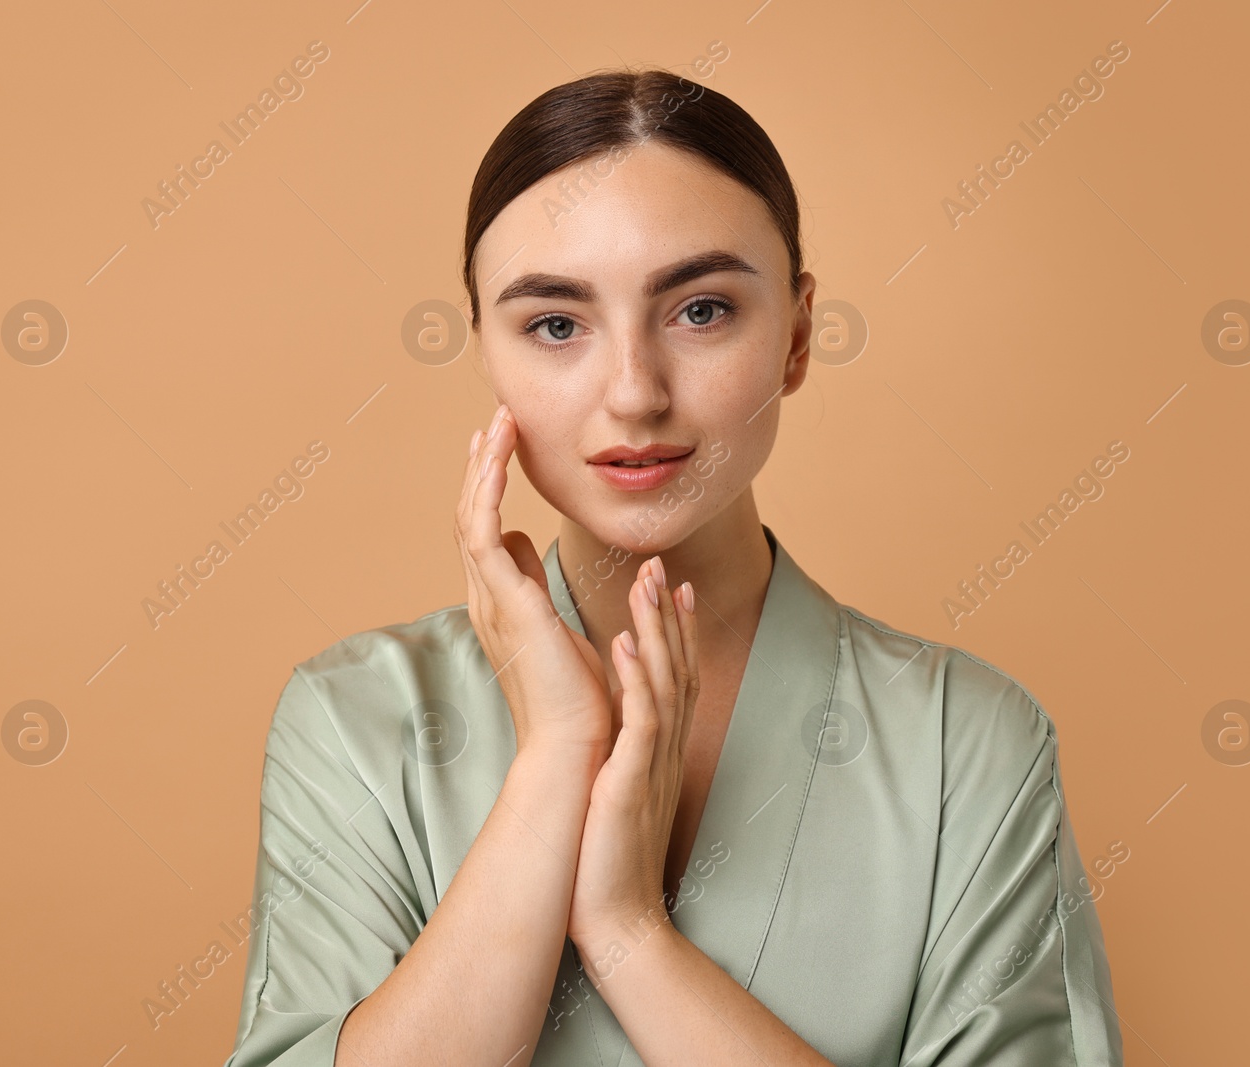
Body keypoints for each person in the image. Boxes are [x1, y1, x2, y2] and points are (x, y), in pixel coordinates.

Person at [221, 67, 1125, 1067]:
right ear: (484, 347)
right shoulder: (355, 721)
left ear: (795, 332)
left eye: (699, 310)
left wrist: (628, 936)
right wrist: (556, 753)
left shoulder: (971, 746)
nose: (634, 392)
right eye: (556, 324)